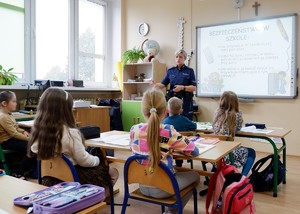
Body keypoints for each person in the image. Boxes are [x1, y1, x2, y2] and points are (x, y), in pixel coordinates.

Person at [29, 88, 118, 197]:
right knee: (113, 171)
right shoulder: (71, 133)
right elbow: (84, 160)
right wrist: (97, 159)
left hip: (50, 180)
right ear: (67, 110)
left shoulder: (39, 132)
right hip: (74, 180)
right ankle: (97, 199)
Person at [130, 89, 200, 214]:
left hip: (142, 184)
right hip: (163, 187)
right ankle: (172, 212)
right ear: (165, 111)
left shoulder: (134, 130)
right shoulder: (168, 131)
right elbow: (194, 151)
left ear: (142, 110)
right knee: (196, 176)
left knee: (175, 172)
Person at [212, 91, 256, 176]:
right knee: (251, 152)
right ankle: (242, 177)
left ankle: (215, 174)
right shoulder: (237, 115)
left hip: (214, 152)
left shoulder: (217, 112)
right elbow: (238, 129)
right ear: (235, 102)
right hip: (227, 153)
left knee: (223, 151)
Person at [0, 91, 36, 179]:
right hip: (7, 141)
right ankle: (18, 173)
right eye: (14, 101)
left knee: (33, 146)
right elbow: (14, 133)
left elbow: (16, 127)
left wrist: (23, 131)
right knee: (32, 148)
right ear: (4, 103)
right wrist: (29, 139)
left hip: (12, 139)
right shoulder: (3, 117)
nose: (16, 103)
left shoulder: (9, 114)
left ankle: (29, 170)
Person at [154, 49, 196, 120]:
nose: (178, 59)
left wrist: (182, 87)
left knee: (186, 123)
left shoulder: (190, 71)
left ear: (185, 58)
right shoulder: (171, 71)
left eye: (180, 57)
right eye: (176, 57)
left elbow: (194, 88)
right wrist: (155, 85)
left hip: (185, 102)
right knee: (170, 122)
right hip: (172, 102)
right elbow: (163, 84)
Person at [162, 97, 197, 168]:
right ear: (181, 110)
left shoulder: (164, 122)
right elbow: (194, 126)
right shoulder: (184, 120)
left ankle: (177, 164)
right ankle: (179, 164)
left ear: (168, 109)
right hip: (183, 147)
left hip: (169, 148)